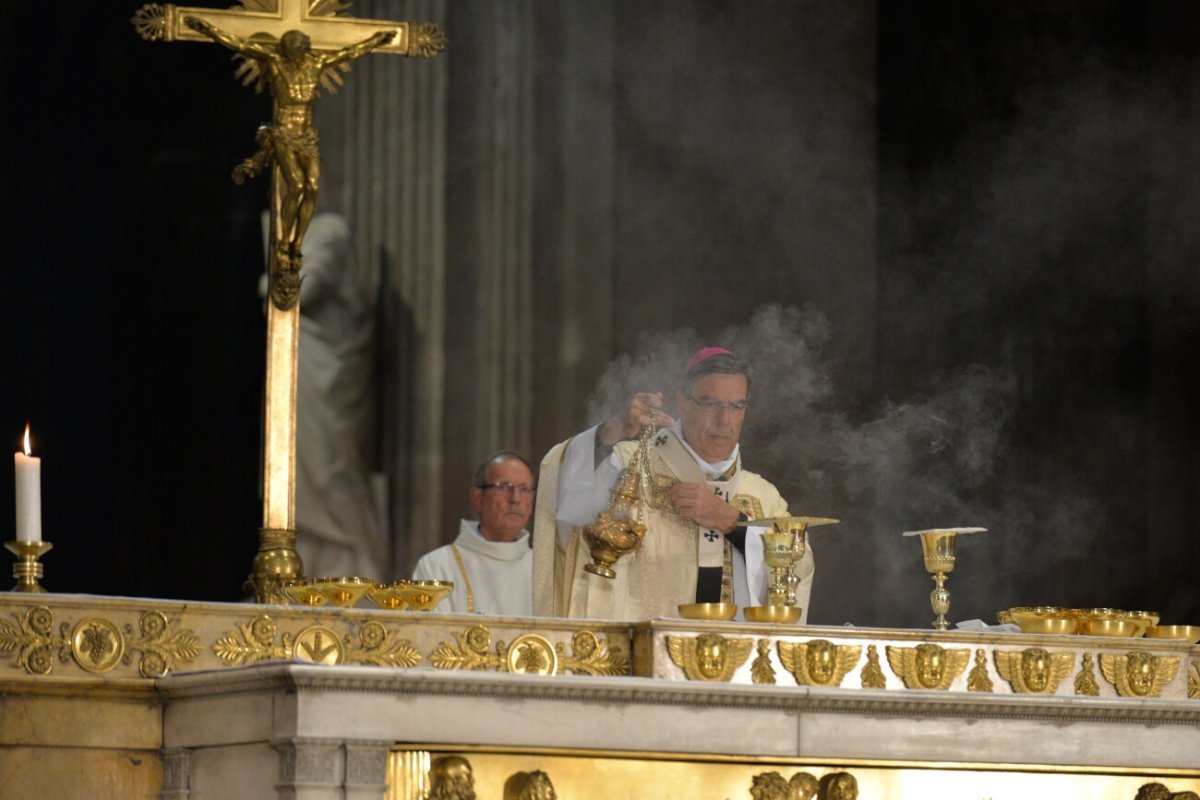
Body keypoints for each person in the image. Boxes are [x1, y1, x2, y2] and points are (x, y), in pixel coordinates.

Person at [532, 347, 814, 620]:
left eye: (736, 406)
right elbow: (564, 488)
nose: (724, 419)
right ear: (682, 401)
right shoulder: (629, 464)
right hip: (641, 659)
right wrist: (613, 429)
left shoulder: (762, 496)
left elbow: (797, 571)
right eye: (710, 403)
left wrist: (732, 523)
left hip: (735, 662)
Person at [184, 16, 396, 267]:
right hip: (284, 133)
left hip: (306, 136)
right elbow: (240, 45)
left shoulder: (316, 64)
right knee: (295, 185)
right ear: (289, 48)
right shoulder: (275, 64)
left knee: (313, 186)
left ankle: (297, 243)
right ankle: (284, 242)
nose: (304, 50)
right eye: (299, 47)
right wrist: (208, 28)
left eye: (305, 47)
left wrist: (376, 40)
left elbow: (350, 51)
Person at [412, 451, 536, 615]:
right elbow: (428, 637)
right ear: (477, 497)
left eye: (525, 489)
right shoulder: (437, 566)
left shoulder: (545, 571)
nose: (516, 498)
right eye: (504, 487)